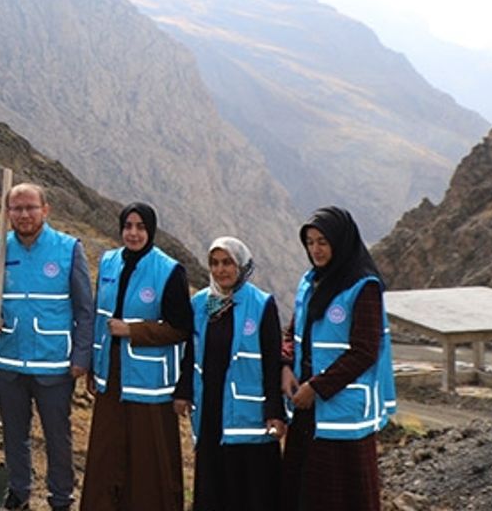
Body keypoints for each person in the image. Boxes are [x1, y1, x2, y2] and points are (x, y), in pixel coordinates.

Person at [280, 207, 395, 511]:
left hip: (342, 414)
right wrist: (285, 367)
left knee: (341, 493)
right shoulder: (311, 281)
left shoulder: (363, 287)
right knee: (304, 490)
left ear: (340, 242)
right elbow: (293, 332)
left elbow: (364, 351)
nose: (315, 250)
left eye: (323, 242)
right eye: (310, 242)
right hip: (306, 409)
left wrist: (316, 388)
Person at [0, 183, 93, 511]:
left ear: (45, 210)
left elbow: (84, 308)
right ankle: (19, 491)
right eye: (16, 208)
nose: (24, 214)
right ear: (8, 213)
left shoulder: (67, 248)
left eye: (31, 207)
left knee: (57, 437)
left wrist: (81, 356)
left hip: (54, 363)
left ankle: (61, 497)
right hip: (9, 360)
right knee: (14, 434)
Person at [81, 202, 193, 511]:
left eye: (140, 227)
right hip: (111, 376)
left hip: (149, 383)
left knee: (147, 457)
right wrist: (93, 365)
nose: (133, 233)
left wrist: (134, 330)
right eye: (128, 226)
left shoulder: (169, 270)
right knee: (107, 452)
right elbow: (97, 315)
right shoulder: (109, 262)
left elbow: (181, 328)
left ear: (151, 230)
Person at [173, 237, 285, 511]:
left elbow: (273, 361)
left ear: (242, 265)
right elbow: (191, 351)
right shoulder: (201, 303)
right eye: (214, 263)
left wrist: (275, 411)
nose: (220, 270)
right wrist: (184, 391)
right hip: (210, 409)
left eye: (227, 263)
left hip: (249, 412)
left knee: (251, 490)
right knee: (214, 486)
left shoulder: (261, 304)